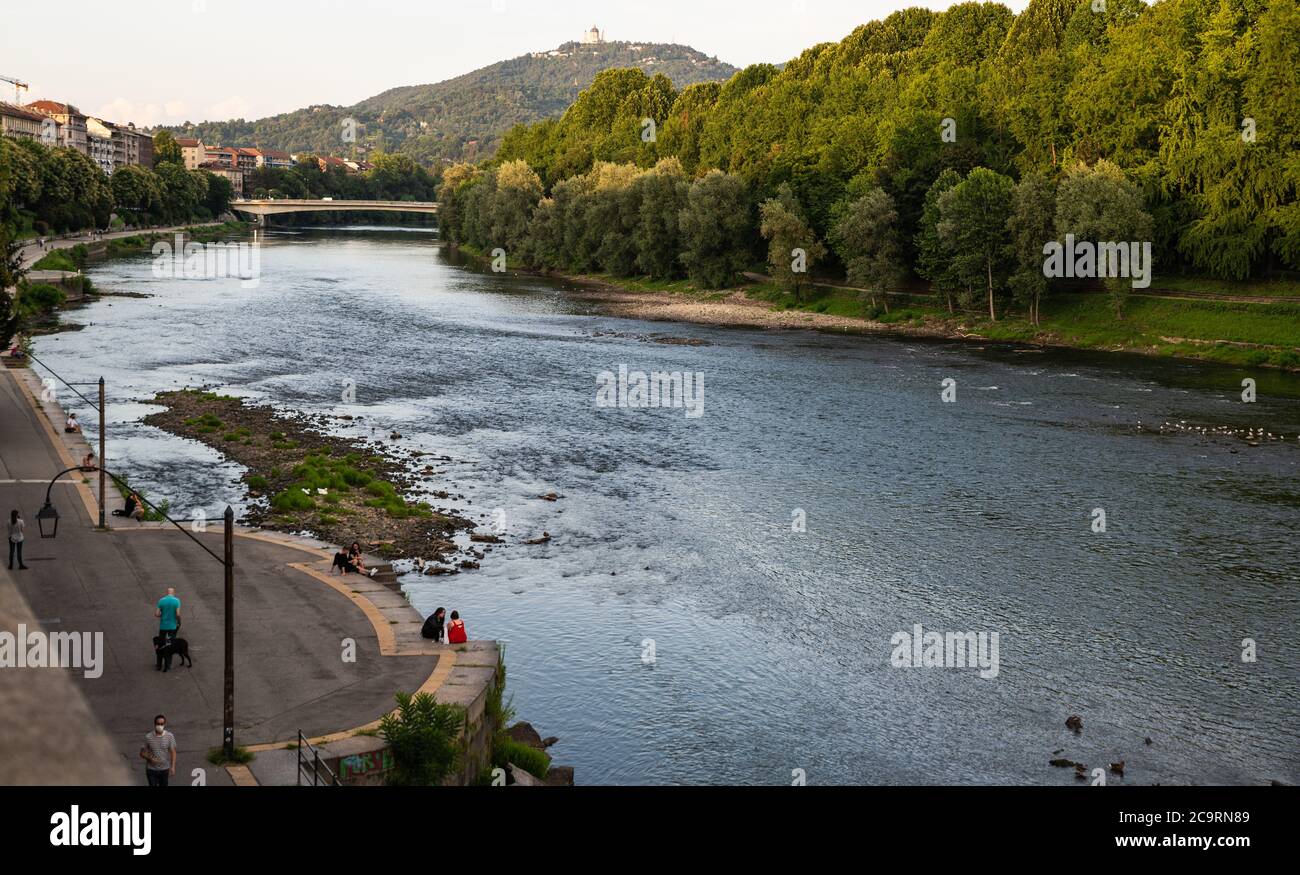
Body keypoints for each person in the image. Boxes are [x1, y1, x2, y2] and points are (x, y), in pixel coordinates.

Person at [139, 715, 177, 787]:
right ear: (155, 724)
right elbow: (141, 753)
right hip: (151, 770)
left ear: (164, 724)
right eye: (158, 724)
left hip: (164, 769)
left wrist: (173, 767)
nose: (160, 726)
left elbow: (173, 752)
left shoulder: (169, 736)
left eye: (162, 724)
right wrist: (150, 758)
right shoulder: (148, 737)